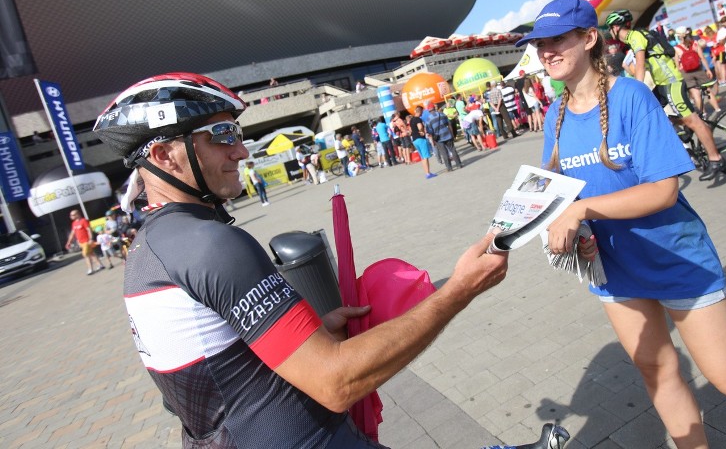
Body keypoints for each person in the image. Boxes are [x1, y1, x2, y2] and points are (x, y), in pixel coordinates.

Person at [89, 72, 536, 449]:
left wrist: (312, 332)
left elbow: (206, 377)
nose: (241, 151)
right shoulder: (212, 244)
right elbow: (335, 382)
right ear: (164, 155)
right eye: (223, 136)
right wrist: (459, 290)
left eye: (237, 135)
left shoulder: (148, 249)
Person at [517, 0, 726, 449]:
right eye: (540, 43)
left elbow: (664, 190)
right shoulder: (555, 114)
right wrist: (575, 232)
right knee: (657, 372)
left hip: (675, 257)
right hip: (615, 268)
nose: (546, 51)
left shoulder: (629, 95)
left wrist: (581, 212)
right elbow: (564, 195)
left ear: (588, 39)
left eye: (557, 39)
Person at [605, 8, 726, 181]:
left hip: (671, 82)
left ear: (615, 27)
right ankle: (684, 130)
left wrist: (636, 89)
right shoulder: (635, 38)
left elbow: (639, 64)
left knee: (693, 120)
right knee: (657, 114)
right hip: (661, 84)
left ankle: (715, 158)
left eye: (610, 28)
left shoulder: (635, 36)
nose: (610, 32)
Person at [673, 27, 721, 118]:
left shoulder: (676, 48)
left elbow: (677, 65)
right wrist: (707, 69)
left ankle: (703, 113)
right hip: (698, 69)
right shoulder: (695, 44)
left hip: (686, 72)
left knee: (696, 94)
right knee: (708, 91)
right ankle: (717, 109)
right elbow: (702, 58)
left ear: (679, 36)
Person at [65, 209, 106, 275]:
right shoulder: (74, 223)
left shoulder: (84, 221)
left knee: (86, 255)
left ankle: (90, 269)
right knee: (91, 254)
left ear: (77, 214)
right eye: (71, 215)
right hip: (80, 242)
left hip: (86, 241)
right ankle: (100, 265)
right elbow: (72, 233)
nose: (71, 216)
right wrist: (68, 242)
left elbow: (88, 230)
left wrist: (90, 239)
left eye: (72, 215)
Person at [424, 102, 463, 172]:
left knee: (444, 153)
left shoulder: (428, 120)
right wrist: (452, 134)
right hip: (447, 134)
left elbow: (429, 132)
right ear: (434, 108)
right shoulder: (442, 114)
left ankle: (449, 168)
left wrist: (432, 141)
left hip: (438, 138)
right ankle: (459, 164)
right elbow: (449, 125)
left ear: (428, 110)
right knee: (453, 149)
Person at [409, 106, 436, 179]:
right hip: (420, 139)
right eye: (422, 112)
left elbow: (411, 130)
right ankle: (428, 173)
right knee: (425, 157)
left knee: (422, 157)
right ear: (420, 111)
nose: (422, 113)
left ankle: (427, 173)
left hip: (415, 140)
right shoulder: (418, 119)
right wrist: (422, 132)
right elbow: (420, 127)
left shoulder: (411, 120)